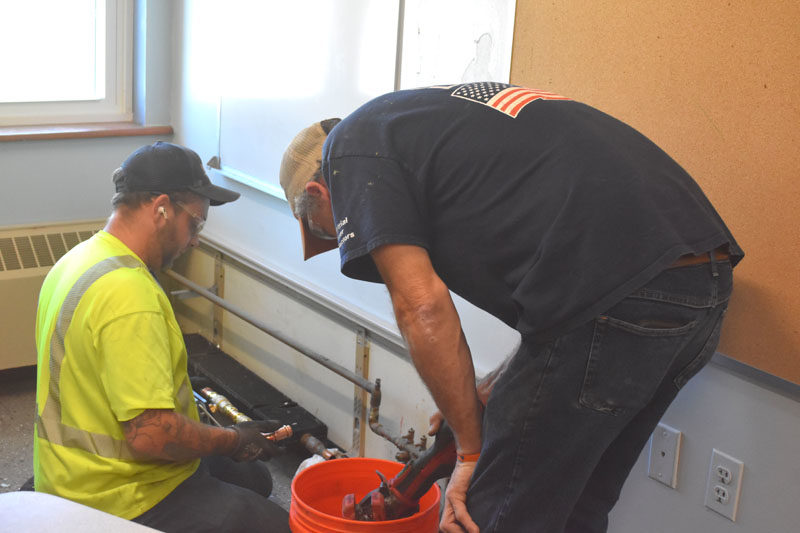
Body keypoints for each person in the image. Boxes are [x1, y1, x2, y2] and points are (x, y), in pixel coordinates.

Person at [278, 82, 744, 533]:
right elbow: (565, 306)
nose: (340, 238)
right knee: (578, 508)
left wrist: (469, 454)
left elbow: (421, 307)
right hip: (701, 280)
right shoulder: (417, 122)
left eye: (325, 231)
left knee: (483, 511)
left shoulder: (351, 152)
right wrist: (488, 390)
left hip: (615, 299)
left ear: (319, 195)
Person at [34, 141, 291, 533]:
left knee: (256, 480)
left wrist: (233, 440)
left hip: (67, 473)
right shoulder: (129, 294)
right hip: (118, 494)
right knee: (279, 525)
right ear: (161, 208)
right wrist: (233, 439)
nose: (196, 240)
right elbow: (151, 436)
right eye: (195, 223)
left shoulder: (79, 259)